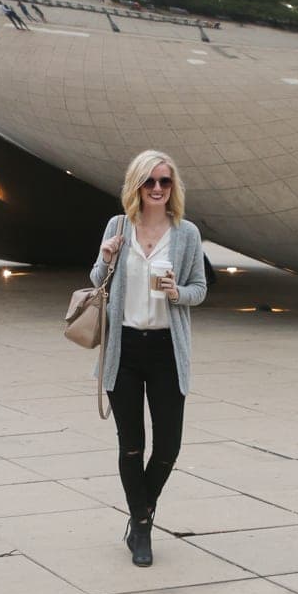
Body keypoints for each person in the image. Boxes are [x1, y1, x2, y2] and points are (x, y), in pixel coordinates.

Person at [91, 150, 207, 567]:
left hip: (165, 349)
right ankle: (141, 527)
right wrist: (105, 258)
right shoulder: (118, 227)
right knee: (131, 446)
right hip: (123, 347)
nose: (157, 189)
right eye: (150, 182)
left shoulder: (187, 234)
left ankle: (140, 512)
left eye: (165, 182)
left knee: (168, 447)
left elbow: (200, 289)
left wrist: (178, 294)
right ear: (136, 186)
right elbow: (96, 281)